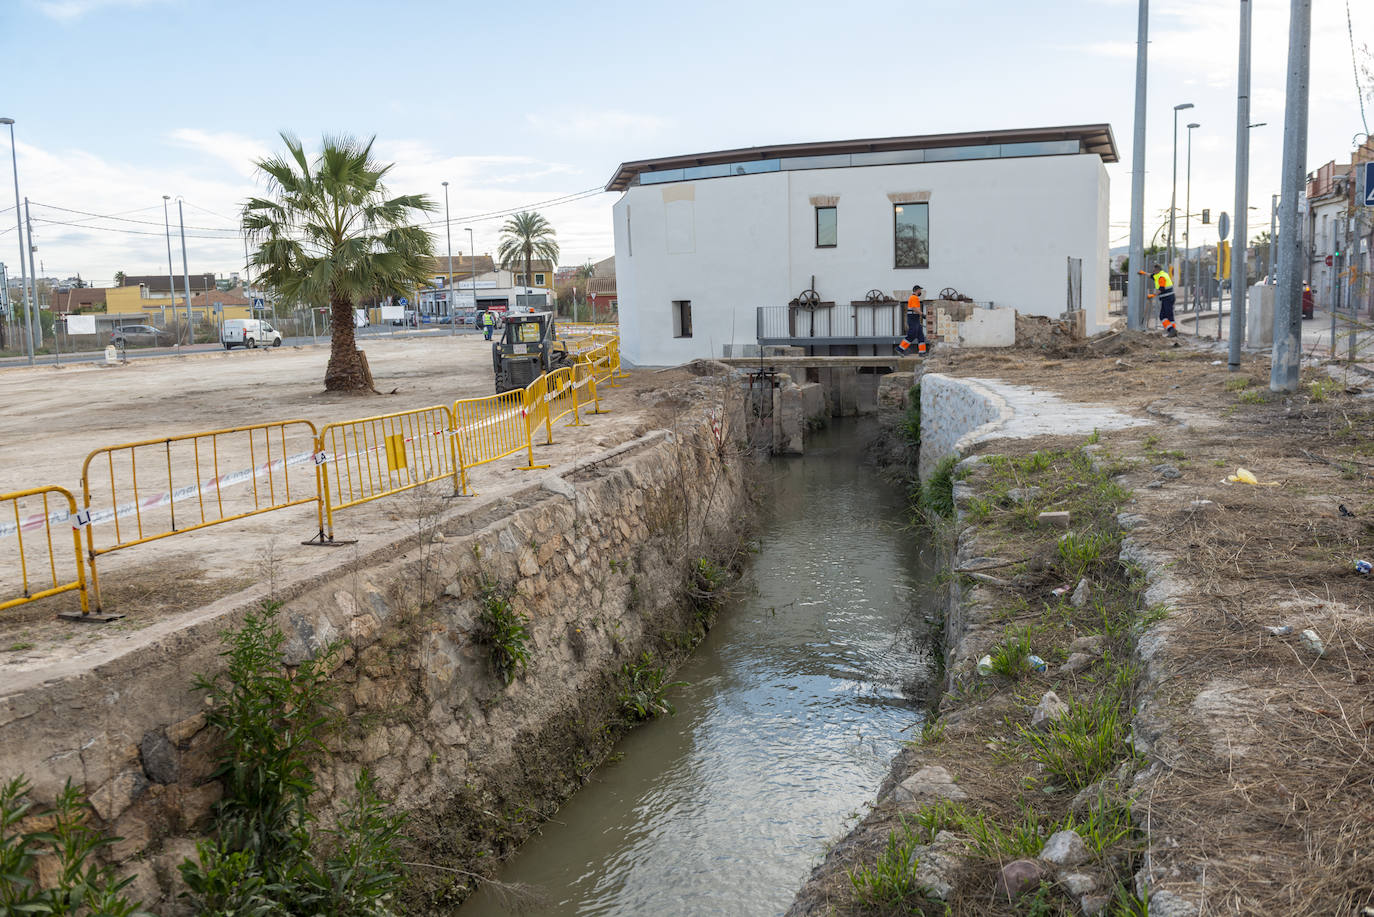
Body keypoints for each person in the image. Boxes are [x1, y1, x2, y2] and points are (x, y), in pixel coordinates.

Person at [895, 284, 928, 354]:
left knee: (920, 335)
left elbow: (915, 309)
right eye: (920, 290)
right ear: (917, 290)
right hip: (913, 318)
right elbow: (914, 308)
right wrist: (922, 314)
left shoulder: (914, 298)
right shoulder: (914, 298)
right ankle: (900, 349)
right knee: (912, 335)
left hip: (915, 318)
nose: (920, 292)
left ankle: (922, 352)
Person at [1150, 263, 1177, 337]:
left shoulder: (1161, 277)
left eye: (1154, 270)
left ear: (1157, 270)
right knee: (1168, 315)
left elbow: (1161, 288)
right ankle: (1173, 330)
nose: (1153, 272)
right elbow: (1151, 276)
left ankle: (1171, 330)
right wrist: (1143, 273)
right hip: (1169, 297)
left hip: (1167, 298)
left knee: (1163, 316)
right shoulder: (1162, 274)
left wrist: (1153, 295)